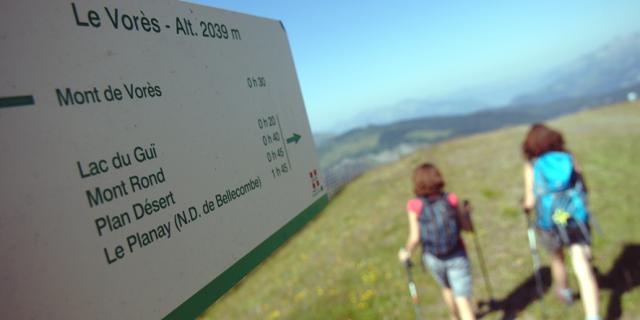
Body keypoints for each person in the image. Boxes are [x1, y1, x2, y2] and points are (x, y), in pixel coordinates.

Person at [521, 123, 600, 320]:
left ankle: (564, 292)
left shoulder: (532, 165)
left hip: (551, 220)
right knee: (582, 264)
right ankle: (593, 315)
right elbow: (583, 186)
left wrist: (525, 207)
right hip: (574, 216)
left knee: (557, 259)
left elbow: (530, 201)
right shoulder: (568, 157)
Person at [398, 162, 476, 320]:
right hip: (457, 254)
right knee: (463, 301)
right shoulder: (451, 199)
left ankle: (454, 317)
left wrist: (406, 252)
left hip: (433, 257)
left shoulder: (415, 205)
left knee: (447, 288)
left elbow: (415, 237)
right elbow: (466, 227)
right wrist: (467, 214)